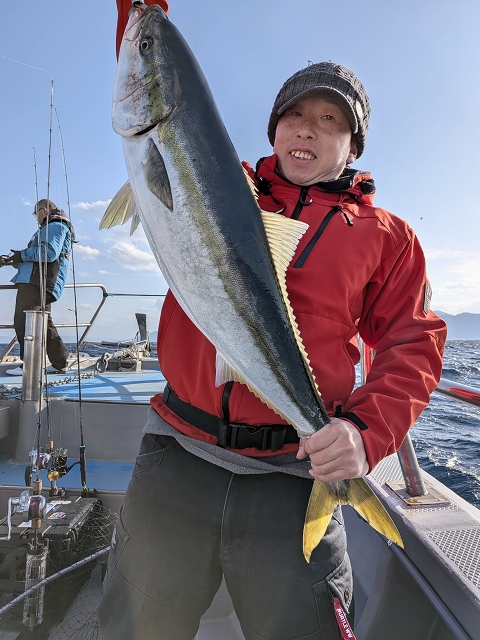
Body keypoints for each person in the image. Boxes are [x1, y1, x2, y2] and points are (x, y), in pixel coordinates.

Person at [99, 5, 447, 639]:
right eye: (294, 115)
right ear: (274, 128)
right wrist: (146, 19)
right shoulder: (219, 184)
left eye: (330, 119)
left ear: (354, 144)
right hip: (180, 452)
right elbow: (150, 62)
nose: (307, 129)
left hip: (294, 472)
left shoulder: (387, 237)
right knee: (136, 626)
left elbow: (412, 344)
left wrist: (366, 433)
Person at [3, 199, 74, 375]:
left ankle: (29, 365)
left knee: (25, 323)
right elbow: (35, 258)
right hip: (38, 281)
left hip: (37, 282)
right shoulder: (51, 227)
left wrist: (22, 255)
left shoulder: (55, 226)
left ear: (44, 210)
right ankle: (60, 362)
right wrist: (11, 260)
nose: (36, 218)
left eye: (36, 213)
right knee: (42, 323)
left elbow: (49, 253)